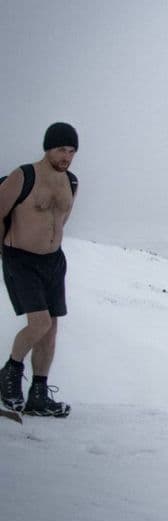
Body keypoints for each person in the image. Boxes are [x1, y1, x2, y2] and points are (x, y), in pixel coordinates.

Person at [0, 123, 80, 420]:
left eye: (71, 151)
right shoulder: (24, 175)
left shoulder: (71, 181)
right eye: (61, 150)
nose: (66, 157)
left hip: (53, 261)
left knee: (51, 329)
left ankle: (38, 394)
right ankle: (9, 373)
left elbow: (60, 220)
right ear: (48, 148)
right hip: (21, 259)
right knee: (39, 323)